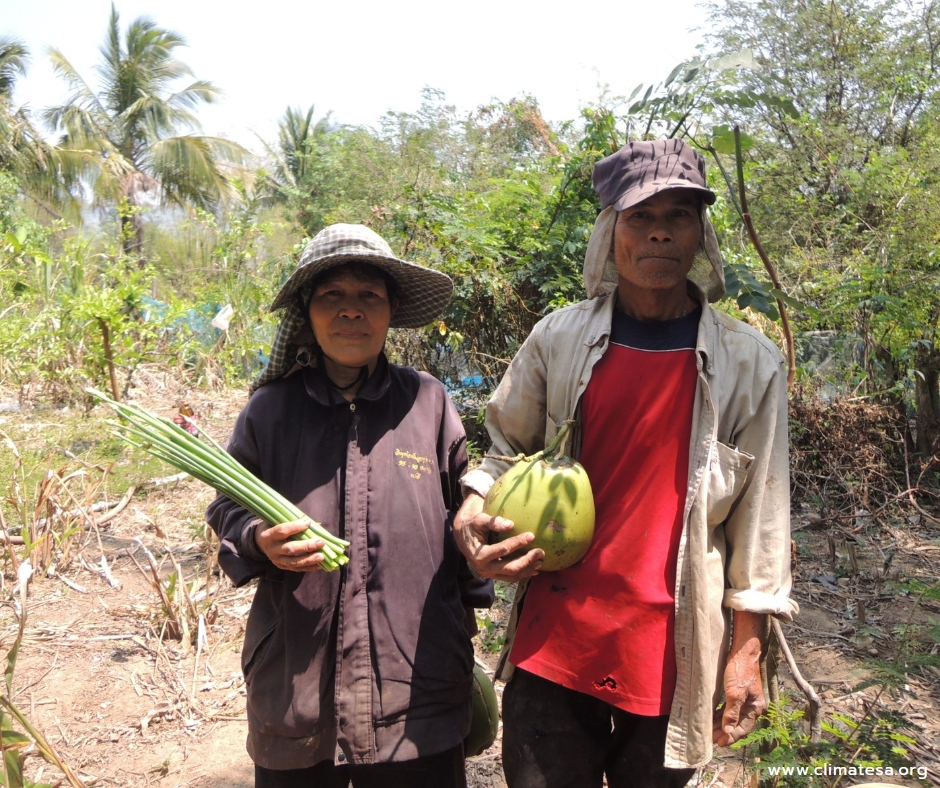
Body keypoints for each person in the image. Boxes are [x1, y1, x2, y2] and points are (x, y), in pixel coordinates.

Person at [454, 139, 799, 787]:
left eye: (679, 216)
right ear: (611, 232)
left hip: (673, 651)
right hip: (558, 640)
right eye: (641, 217)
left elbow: (762, 519)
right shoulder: (558, 339)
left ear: (701, 233)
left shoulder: (749, 363)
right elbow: (505, 449)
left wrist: (747, 649)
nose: (660, 233)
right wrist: (474, 504)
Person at [207, 223, 494, 788]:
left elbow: (463, 514)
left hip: (419, 683)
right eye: (331, 295)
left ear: (391, 311)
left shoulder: (427, 402)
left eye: (369, 296)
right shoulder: (271, 410)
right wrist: (258, 538)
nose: (351, 311)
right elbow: (228, 506)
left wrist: (468, 617)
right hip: (298, 683)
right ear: (307, 312)